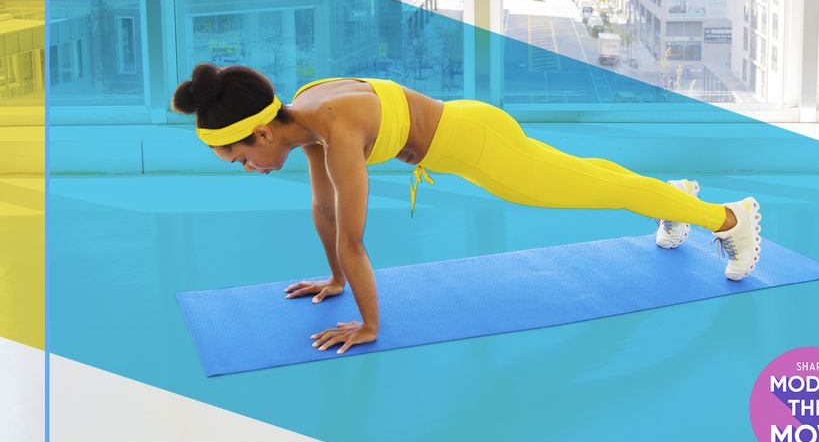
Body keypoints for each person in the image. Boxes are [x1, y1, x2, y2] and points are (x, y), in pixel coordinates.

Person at [171, 64, 762, 355]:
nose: (246, 170)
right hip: (471, 125)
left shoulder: (335, 128)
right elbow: (323, 209)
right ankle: (678, 198)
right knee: (587, 176)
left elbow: (354, 239)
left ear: (263, 136)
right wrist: (332, 280)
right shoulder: (302, 116)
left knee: (590, 188)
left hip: (479, 149)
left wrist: (371, 325)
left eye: (239, 159)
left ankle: (730, 219)